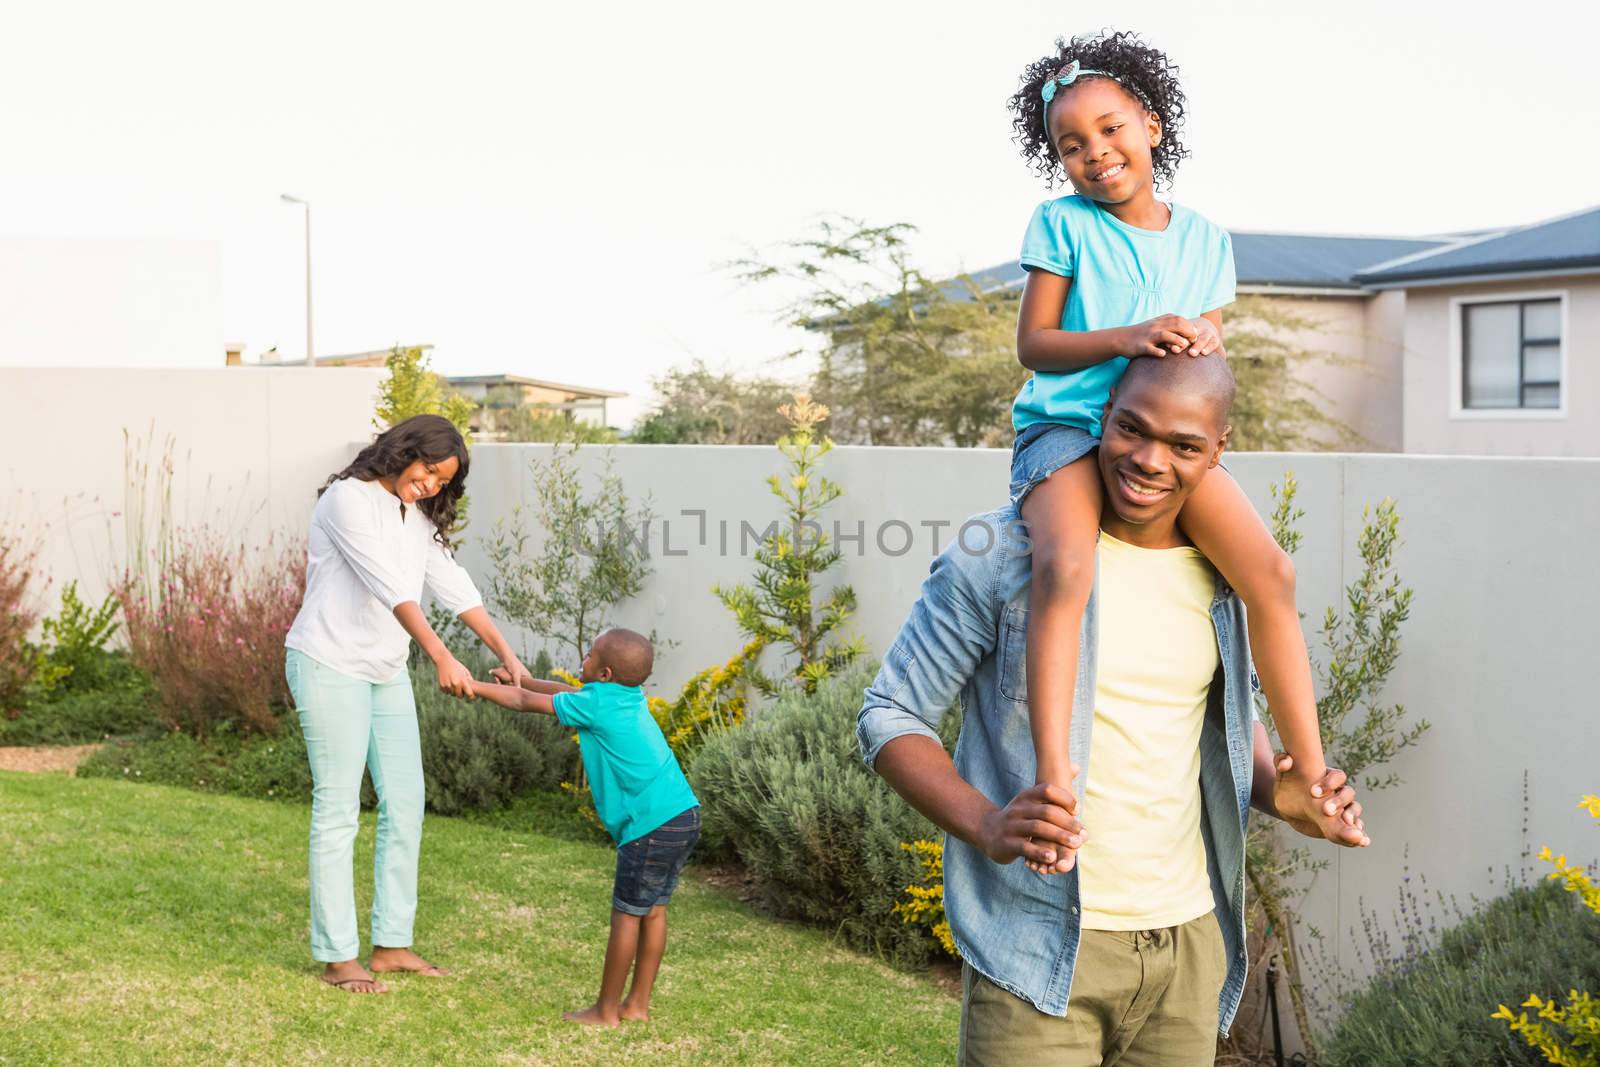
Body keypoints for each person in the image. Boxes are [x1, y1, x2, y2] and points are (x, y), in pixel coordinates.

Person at [858, 354, 1369, 1064]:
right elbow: (890, 713)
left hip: (1186, 949)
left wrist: (1279, 791)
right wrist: (988, 822)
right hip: (1039, 950)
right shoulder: (1004, 555)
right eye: (1132, 429)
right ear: (1101, 420)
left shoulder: (1225, 574)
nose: (1149, 461)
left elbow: (1217, 719)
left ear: (1219, 452)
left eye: (1185, 446)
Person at [1001, 31, 1328, 875]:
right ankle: (1054, 780)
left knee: (1271, 573)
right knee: (1065, 567)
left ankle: (1312, 770)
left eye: (1110, 130)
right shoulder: (1060, 224)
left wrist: (1196, 347)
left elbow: (1206, 357)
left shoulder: (1206, 239)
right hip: (1071, 431)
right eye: (1070, 145)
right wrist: (1129, 335)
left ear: (1149, 123)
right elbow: (1035, 344)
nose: (1094, 154)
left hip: (1158, 442)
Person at [284, 413, 532, 994]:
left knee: (406, 802)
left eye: (442, 482)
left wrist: (506, 653)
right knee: (338, 806)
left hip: (384, 669)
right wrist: (443, 656)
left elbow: (450, 582)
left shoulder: (416, 515)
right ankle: (337, 955)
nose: (430, 487)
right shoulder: (347, 501)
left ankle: (392, 944)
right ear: (403, 452)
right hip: (328, 663)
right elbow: (389, 586)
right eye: (427, 472)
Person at [469, 627, 700, 1027]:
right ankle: (637, 1005)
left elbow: (524, 702)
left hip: (649, 825)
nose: (584, 658)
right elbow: (561, 691)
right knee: (654, 912)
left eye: (591, 655)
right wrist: (522, 677)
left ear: (606, 673)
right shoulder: (623, 696)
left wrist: (472, 686)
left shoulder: (598, 704)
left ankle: (606, 1011)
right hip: (683, 814)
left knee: (627, 915)